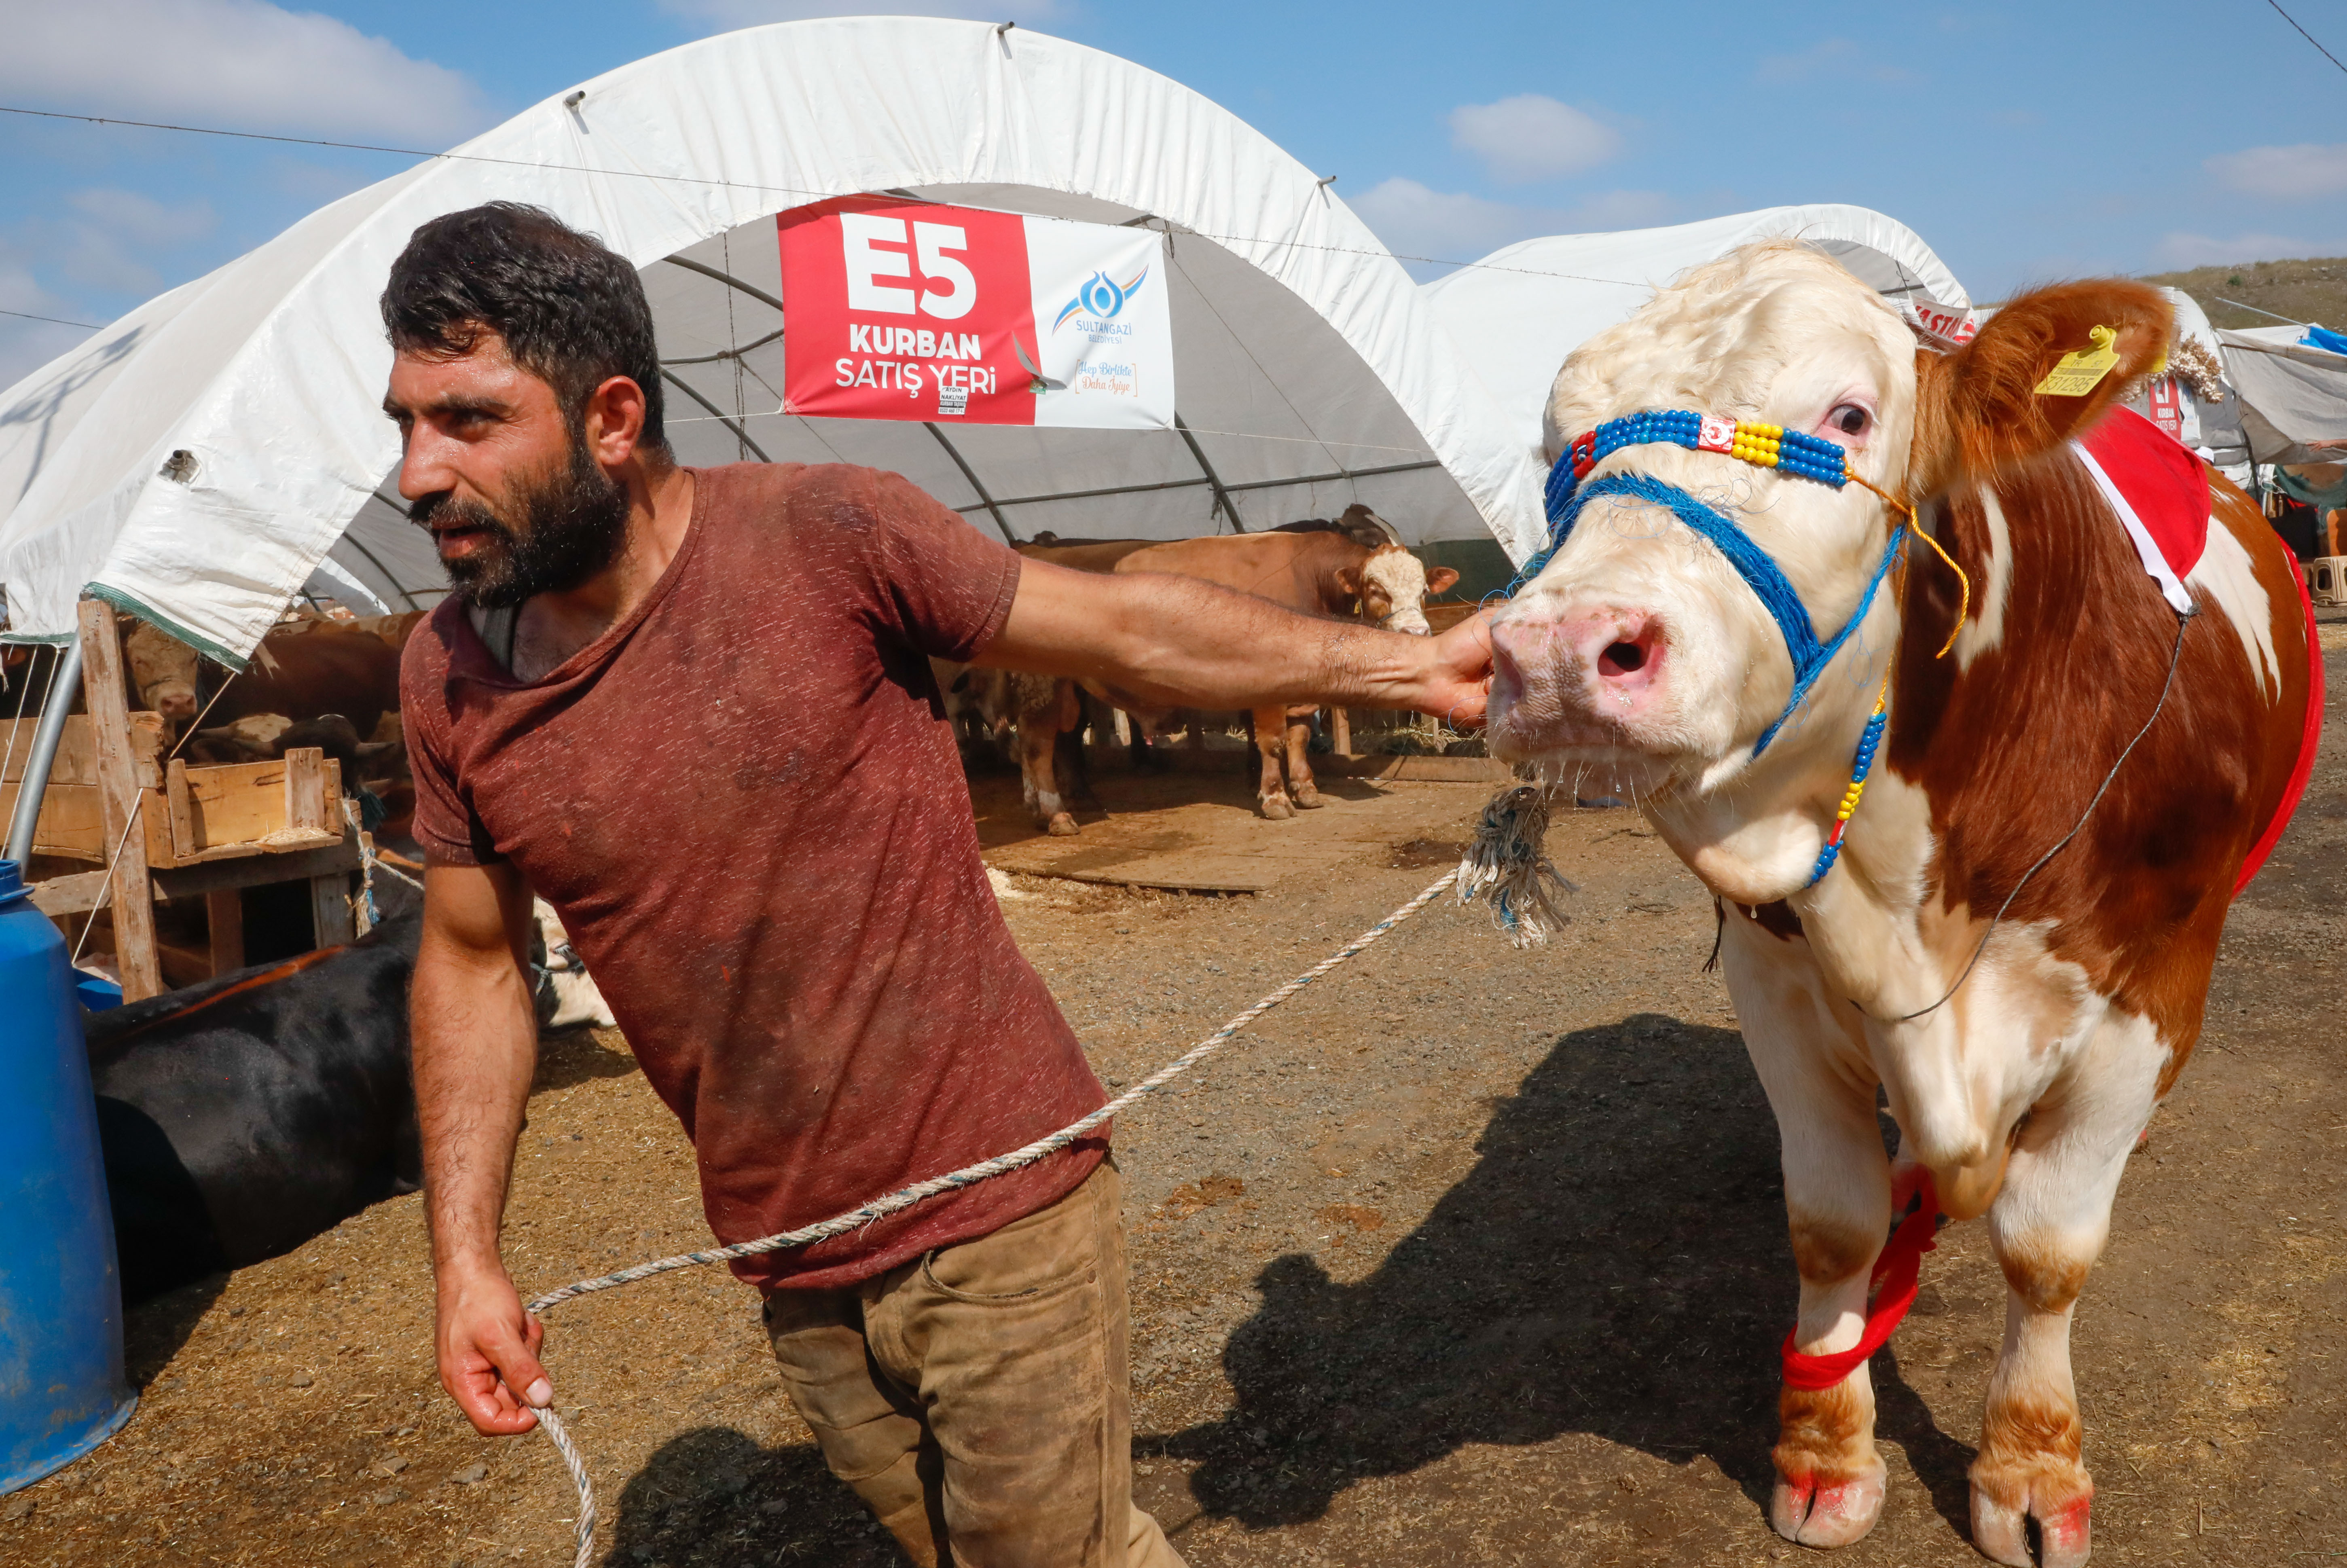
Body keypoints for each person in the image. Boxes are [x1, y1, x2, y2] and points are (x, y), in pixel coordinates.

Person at [387, 202, 1492, 1568]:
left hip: (1000, 1203)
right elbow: (473, 961)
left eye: (468, 421)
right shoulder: (446, 675)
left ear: (611, 417)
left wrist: (1409, 668)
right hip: (787, 1256)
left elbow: (1125, 630)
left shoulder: (828, 532)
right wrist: (466, 1262)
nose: (418, 473)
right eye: (407, 424)